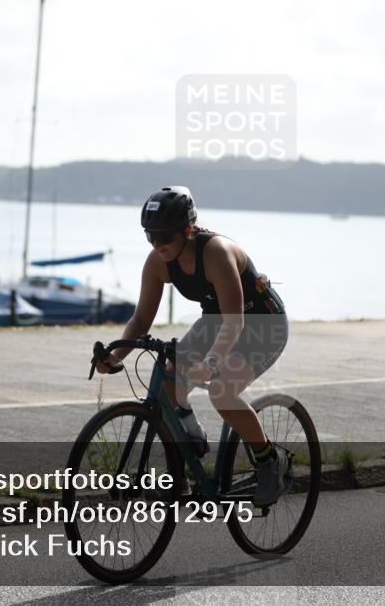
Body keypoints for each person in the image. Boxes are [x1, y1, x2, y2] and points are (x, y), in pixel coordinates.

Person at [96, 186, 289, 506]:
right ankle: (183, 465)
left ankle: (269, 461)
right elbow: (141, 318)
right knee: (171, 377)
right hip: (217, 320)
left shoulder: (216, 253)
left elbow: (235, 321)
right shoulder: (158, 262)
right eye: (150, 237)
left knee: (222, 391)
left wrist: (212, 362)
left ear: (186, 230)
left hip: (261, 324)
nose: (158, 245)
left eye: (164, 237)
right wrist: (116, 356)